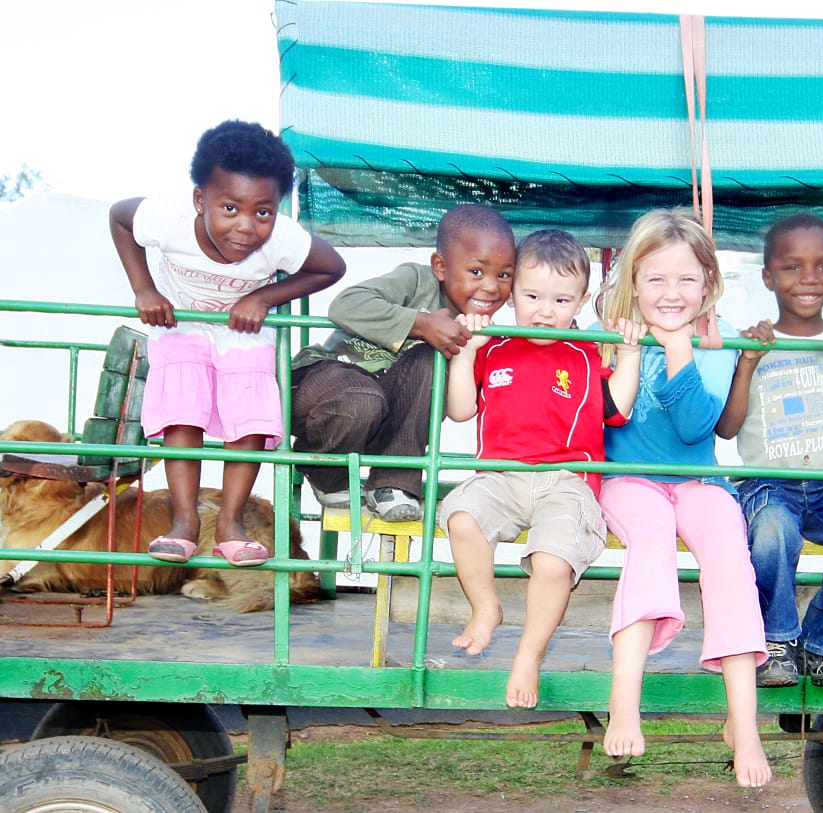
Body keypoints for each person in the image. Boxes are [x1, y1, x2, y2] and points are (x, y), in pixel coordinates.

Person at [110, 119, 346, 566]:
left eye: (263, 212)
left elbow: (331, 267)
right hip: (181, 322)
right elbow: (120, 217)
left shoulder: (282, 239)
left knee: (250, 418)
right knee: (182, 412)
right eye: (230, 208)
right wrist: (144, 290)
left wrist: (264, 298)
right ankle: (184, 522)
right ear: (201, 200)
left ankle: (230, 523)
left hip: (243, 331)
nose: (246, 226)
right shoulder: (169, 218)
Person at [595, 208, 772, 789]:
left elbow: (698, 428)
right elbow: (603, 416)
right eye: (656, 279)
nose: (671, 293)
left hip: (699, 479)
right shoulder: (610, 335)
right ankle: (625, 702)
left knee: (730, 558)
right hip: (630, 478)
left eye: (686, 280)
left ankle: (744, 722)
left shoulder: (717, 341)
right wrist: (635, 348)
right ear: (633, 280)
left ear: (708, 284)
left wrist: (678, 347)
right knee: (650, 542)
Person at [438, 229, 646, 709]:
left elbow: (617, 410)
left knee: (553, 562)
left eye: (561, 300)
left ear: (582, 301)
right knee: (462, 516)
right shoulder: (495, 345)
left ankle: (529, 655)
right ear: (511, 293)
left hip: (567, 480)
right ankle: (485, 607)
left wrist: (630, 355)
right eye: (532, 296)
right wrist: (466, 352)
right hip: (500, 475)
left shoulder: (587, 350)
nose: (545, 311)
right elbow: (460, 410)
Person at [716, 213, 823, 688]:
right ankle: (776, 640)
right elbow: (727, 429)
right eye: (792, 267)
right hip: (771, 482)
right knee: (772, 531)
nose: (809, 278)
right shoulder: (754, 342)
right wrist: (747, 362)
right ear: (767, 276)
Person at [290, 204, 516, 521]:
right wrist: (421, 324)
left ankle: (392, 484)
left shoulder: (481, 334)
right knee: (362, 398)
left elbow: (454, 408)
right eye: (476, 272)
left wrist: (467, 350)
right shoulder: (416, 280)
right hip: (324, 382)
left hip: (379, 417)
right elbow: (345, 305)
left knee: (430, 359)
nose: (491, 287)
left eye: (504, 275)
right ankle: (327, 473)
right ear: (440, 266)